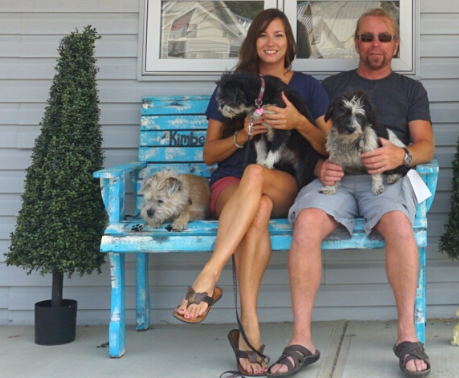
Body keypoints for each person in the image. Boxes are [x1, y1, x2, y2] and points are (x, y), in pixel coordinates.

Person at [268, 8, 434, 378]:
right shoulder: (331, 87)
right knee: (307, 223)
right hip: (336, 176)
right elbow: (312, 140)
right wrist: (316, 167)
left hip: (385, 178)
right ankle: (302, 340)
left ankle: (407, 336)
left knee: (399, 226)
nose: (376, 44)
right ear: (356, 43)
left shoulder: (410, 89)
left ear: (396, 45)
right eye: (367, 37)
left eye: (384, 38)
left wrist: (400, 155)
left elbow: (426, 146)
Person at [172, 8, 330, 376]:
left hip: (283, 181)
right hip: (230, 183)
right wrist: (242, 134)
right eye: (263, 35)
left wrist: (298, 122)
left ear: (290, 42)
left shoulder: (307, 87)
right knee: (255, 207)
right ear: (253, 42)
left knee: (258, 175)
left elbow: (325, 146)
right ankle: (249, 329)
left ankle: (208, 277)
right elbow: (210, 153)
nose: (270, 42)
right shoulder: (234, 85)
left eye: (278, 35)